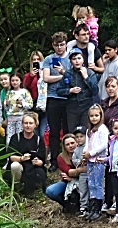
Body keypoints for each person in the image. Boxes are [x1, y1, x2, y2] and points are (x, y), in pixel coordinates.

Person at [43, 33, 70, 170]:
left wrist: (63, 74)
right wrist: (63, 76)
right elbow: (46, 78)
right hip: (53, 98)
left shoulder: (71, 57)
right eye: (56, 45)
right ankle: (54, 161)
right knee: (53, 131)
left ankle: (67, 159)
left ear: (66, 44)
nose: (59, 47)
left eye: (61, 44)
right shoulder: (49, 59)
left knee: (67, 130)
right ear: (53, 45)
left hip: (68, 98)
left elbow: (73, 77)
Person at [56, 48, 99, 133]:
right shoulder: (67, 74)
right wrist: (70, 90)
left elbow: (95, 91)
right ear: (71, 61)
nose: (77, 61)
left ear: (83, 60)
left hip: (86, 106)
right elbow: (59, 90)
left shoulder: (90, 73)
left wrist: (86, 77)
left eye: (79, 58)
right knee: (72, 132)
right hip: (72, 106)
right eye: (74, 59)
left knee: (86, 132)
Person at [5, 113, 47, 197]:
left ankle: (35, 190)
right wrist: (21, 158)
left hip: (33, 166)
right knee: (15, 166)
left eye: (31, 123)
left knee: (40, 171)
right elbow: (11, 156)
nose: (28, 126)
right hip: (19, 164)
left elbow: (42, 160)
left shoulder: (39, 139)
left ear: (35, 125)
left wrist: (38, 162)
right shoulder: (16, 138)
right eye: (26, 123)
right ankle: (16, 188)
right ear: (22, 124)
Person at [83, 104, 109, 220]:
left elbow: (103, 145)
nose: (94, 118)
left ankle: (98, 208)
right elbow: (87, 144)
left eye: (96, 115)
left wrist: (92, 153)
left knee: (98, 184)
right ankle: (92, 207)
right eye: (92, 116)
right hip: (90, 160)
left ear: (100, 116)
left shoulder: (102, 129)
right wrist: (85, 153)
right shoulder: (89, 130)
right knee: (91, 183)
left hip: (99, 160)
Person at [45, 134, 79, 208]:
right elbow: (68, 172)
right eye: (67, 144)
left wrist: (73, 176)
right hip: (67, 182)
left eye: (72, 143)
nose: (70, 146)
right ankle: (67, 205)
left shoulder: (83, 154)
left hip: (83, 182)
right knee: (50, 191)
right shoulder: (61, 157)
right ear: (64, 146)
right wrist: (81, 170)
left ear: (77, 143)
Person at [23, 51, 48, 137]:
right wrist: (31, 76)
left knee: (43, 134)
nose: (36, 61)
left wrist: (43, 75)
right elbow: (25, 87)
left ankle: (45, 150)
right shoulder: (28, 75)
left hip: (45, 106)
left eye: (38, 59)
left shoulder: (47, 73)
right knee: (34, 133)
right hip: (33, 107)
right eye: (34, 60)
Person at [4, 73, 33, 146]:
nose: (15, 82)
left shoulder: (25, 92)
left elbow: (30, 105)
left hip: (21, 118)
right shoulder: (9, 93)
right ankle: (9, 155)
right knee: (9, 138)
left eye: (17, 80)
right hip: (10, 118)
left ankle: (20, 155)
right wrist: (6, 104)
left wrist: (22, 103)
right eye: (13, 80)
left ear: (20, 81)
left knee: (20, 137)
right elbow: (5, 108)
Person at [71, 126, 89, 217]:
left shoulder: (89, 146)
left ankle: (95, 205)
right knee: (83, 190)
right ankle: (83, 206)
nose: (79, 139)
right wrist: (79, 162)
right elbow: (74, 160)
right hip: (82, 174)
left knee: (93, 188)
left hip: (91, 172)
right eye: (77, 137)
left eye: (81, 136)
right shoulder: (76, 149)